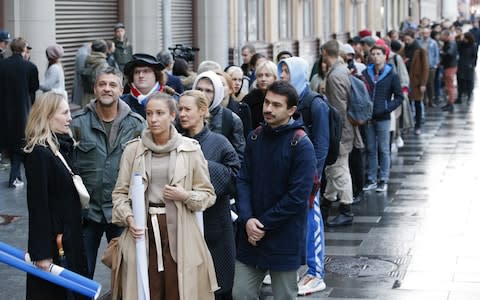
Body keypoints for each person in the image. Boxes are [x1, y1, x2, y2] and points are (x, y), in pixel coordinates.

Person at [111, 92, 218, 300]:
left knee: (179, 290)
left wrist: (185, 195)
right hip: (142, 230)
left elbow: (208, 194)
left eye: (160, 113)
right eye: (149, 113)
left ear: (172, 115)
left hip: (181, 230)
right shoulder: (133, 150)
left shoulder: (190, 150)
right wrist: (129, 218)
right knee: (146, 288)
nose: (153, 119)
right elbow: (120, 193)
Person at [232, 80, 316, 299]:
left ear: (291, 111)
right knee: (241, 293)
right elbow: (243, 180)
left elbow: (297, 198)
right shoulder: (255, 136)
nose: (268, 109)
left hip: (283, 237)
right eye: (267, 102)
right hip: (250, 235)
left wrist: (262, 224)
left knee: (284, 295)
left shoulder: (301, 145)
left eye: (276, 105)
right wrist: (248, 219)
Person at [71, 67, 145, 279]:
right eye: (102, 84)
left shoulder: (137, 125)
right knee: (81, 276)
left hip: (122, 214)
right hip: (87, 214)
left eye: (112, 85)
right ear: (94, 88)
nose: (107, 89)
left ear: (121, 89)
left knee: (127, 276)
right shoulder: (77, 123)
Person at [24, 91, 88, 299]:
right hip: (55, 243)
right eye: (65, 112)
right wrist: (41, 253)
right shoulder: (39, 153)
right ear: (48, 115)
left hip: (70, 237)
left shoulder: (61, 146)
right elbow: (37, 205)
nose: (70, 117)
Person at [178, 90, 241, 300]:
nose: (182, 114)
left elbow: (235, 178)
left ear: (203, 110)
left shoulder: (220, 142)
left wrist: (201, 166)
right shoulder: (176, 142)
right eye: (179, 109)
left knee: (219, 285)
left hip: (215, 225)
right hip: (183, 224)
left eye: (187, 109)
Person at [278, 56, 330, 295]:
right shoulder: (290, 100)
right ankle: (299, 269)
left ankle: (315, 273)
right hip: (290, 174)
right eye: (282, 71)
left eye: (287, 71)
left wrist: (313, 176)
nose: (283, 76)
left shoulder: (314, 103)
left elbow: (321, 144)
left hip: (309, 178)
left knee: (312, 223)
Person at [320, 40, 358, 227]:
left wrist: (335, 134)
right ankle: (326, 203)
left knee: (339, 169)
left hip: (341, 131)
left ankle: (346, 209)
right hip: (346, 129)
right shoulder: (343, 70)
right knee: (334, 169)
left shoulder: (335, 76)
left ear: (325, 52)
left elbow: (338, 110)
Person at [361, 45, 403, 193]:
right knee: (371, 148)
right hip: (369, 118)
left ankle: (383, 178)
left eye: (379, 54)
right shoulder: (366, 73)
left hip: (384, 117)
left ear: (385, 56)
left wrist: (386, 107)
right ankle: (372, 178)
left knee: (384, 149)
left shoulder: (391, 74)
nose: (376, 56)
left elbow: (399, 97)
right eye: (373, 54)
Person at [0, 37, 39, 188]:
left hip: (4, 112)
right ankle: (15, 177)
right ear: (24, 49)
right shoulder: (30, 67)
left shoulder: (2, 65)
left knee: (11, 145)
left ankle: (15, 176)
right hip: (23, 111)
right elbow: (33, 89)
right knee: (21, 145)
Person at [192, 71, 245, 161]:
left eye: (208, 91)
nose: (202, 94)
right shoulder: (184, 114)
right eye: (199, 89)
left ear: (217, 93)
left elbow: (238, 158)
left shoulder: (231, 119)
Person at [121, 53, 167, 119]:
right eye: (137, 72)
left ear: (156, 75)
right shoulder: (121, 103)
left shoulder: (173, 100)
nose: (141, 75)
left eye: (146, 71)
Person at [402, 30, 429, 135]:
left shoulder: (420, 50)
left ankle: (418, 125)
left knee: (417, 103)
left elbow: (425, 68)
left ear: (413, 38)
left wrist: (423, 83)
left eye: (408, 39)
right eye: (405, 40)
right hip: (406, 80)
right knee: (407, 104)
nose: (407, 42)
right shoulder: (404, 49)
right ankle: (408, 124)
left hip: (416, 81)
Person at [216, 71, 253, 139]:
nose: (218, 88)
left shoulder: (242, 109)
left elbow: (247, 136)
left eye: (222, 84)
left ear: (230, 89)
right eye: (215, 85)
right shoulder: (207, 110)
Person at [242, 60, 278, 129]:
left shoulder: (282, 97)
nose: (263, 79)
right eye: (260, 75)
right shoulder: (249, 99)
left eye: (267, 75)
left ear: (275, 78)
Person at [82, 39, 109, 107]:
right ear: (104, 50)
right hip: (97, 97)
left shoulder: (87, 60)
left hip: (86, 95)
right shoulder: (103, 63)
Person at [417, 26, 440, 108]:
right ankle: (423, 100)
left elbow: (436, 54)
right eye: (423, 33)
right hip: (421, 66)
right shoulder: (419, 42)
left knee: (430, 84)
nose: (425, 34)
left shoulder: (433, 42)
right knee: (422, 83)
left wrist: (435, 64)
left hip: (430, 66)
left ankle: (431, 100)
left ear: (429, 33)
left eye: (426, 33)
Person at [439, 30, 458, 113]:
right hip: (449, 66)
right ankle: (449, 103)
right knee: (448, 85)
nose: (441, 37)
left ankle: (451, 103)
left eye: (442, 36)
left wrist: (441, 53)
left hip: (450, 67)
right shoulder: (449, 43)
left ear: (446, 36)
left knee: (450, 86)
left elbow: (449, 54)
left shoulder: (451, 43)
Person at [456, 31, 476, 103]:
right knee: (460, 81)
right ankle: (459, 97)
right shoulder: (461, 44)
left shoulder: (473, 45)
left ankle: (469, 96)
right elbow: (457, 44)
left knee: (469, 82)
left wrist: (472, 65)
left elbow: (474, 56)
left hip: (469, 66)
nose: (464, 40)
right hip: (461, 65)